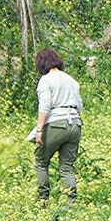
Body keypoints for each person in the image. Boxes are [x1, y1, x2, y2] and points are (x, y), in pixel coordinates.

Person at [28, 47, 82, 206]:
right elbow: (79, 106)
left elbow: (45, 106)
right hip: (75, 124)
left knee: (41, 162)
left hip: (56, 123)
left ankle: (43, 199)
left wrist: (39, 130)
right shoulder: (72, 81)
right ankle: (71, 203)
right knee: (67, 166)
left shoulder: (46, 80)